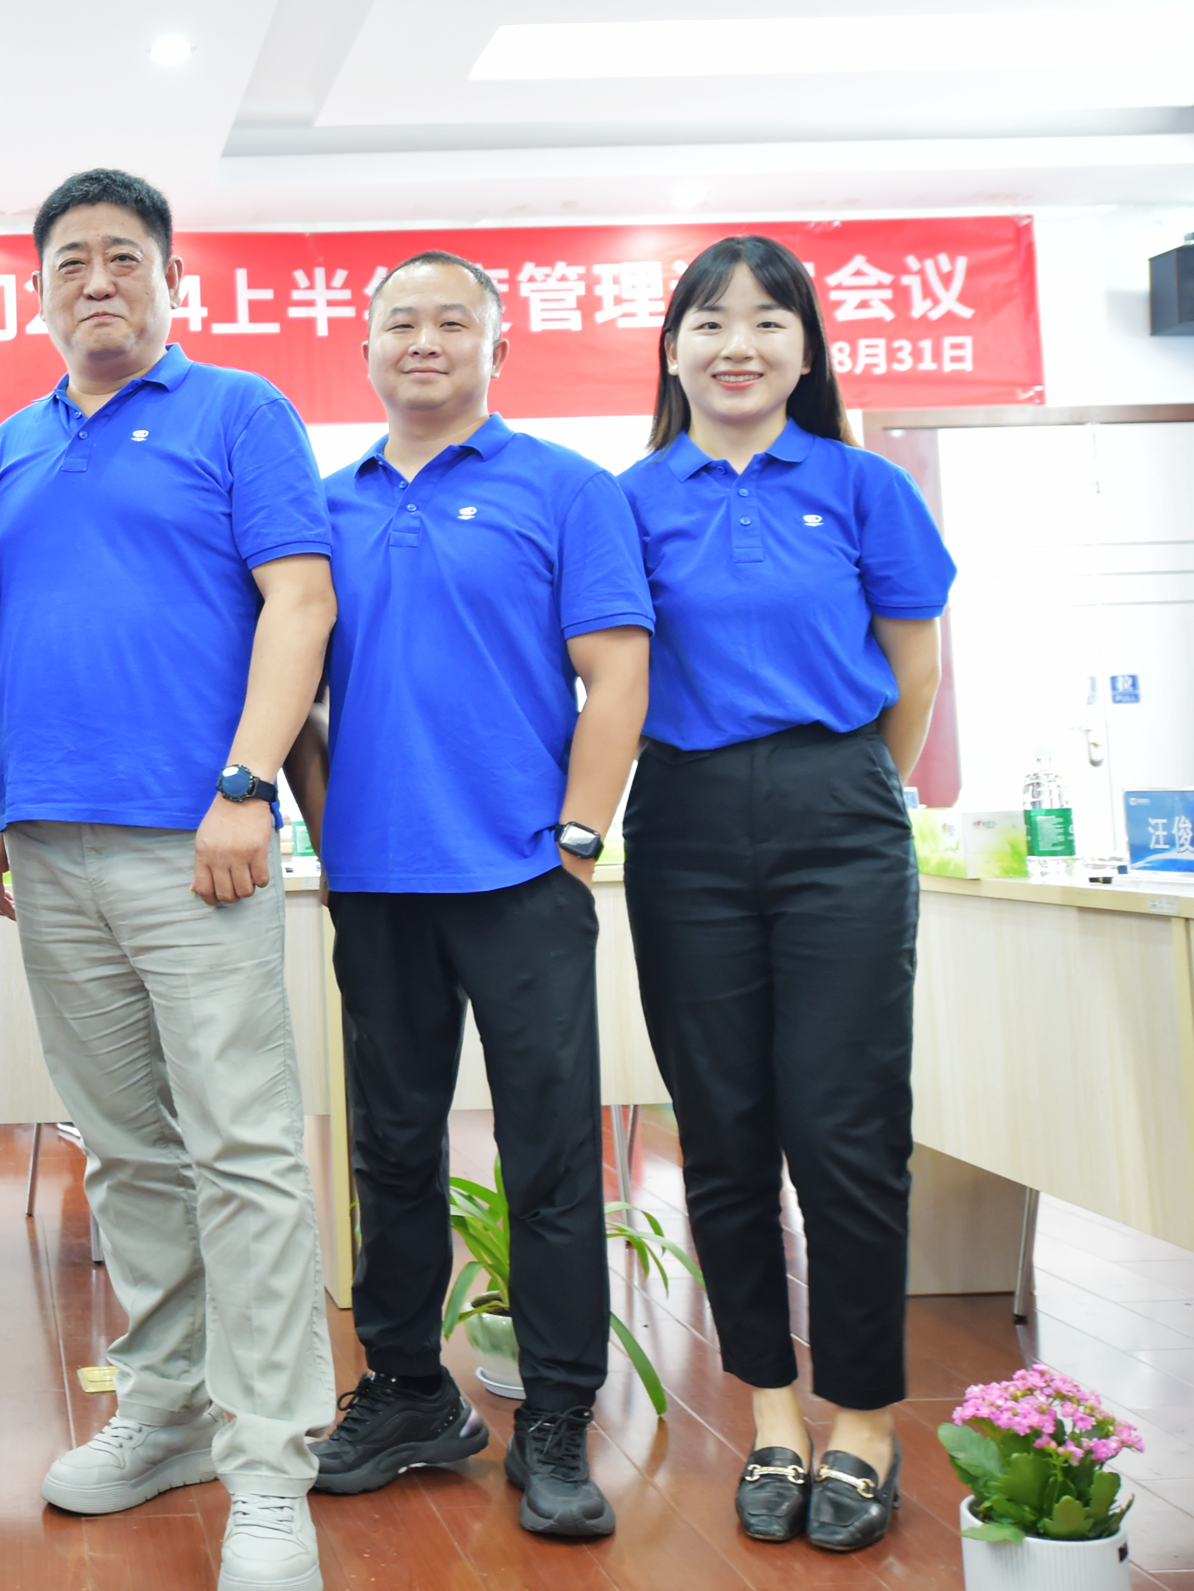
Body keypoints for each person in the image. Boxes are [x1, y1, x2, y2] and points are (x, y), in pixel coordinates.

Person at [0, 168, 339, 1591]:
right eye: (71, 261)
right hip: (50, 847)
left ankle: (271, 1465)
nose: (97, 281)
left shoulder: (240, 411)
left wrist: (245, 786)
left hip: (200, 841)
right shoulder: (13, 445)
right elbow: (4, 642)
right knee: (125, 1148)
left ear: (172, 279)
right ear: (40, 291)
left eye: (124, 256)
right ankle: (169, 1406)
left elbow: (300, 599)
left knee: (243, 1149)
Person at [288, 251, 651, 1540]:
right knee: (388, 1148)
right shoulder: (322, 507)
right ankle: (405, 1390)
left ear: (500, 347)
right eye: (401, 321)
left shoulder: (566, 488)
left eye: (454, 321)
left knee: (548, 1154)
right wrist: (334, 839)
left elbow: (617, 670)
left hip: (521, 878)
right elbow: (295, 696)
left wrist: (577, 841)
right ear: (366, 349)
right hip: (378, 888)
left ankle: (555, 1414)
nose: (425, 340)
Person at [615, 234, 952, 1554]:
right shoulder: (629, 499)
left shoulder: (863, 486)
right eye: (709, 321)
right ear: (672, 350)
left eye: (767, 320)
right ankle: (769, 1409)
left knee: (848, 1127)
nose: (737, 344)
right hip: (685, 819)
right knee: (724, 1128)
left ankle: (861, 1417)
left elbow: (913, 670)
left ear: (807, 349)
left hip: (839, 815)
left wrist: (851, 792)